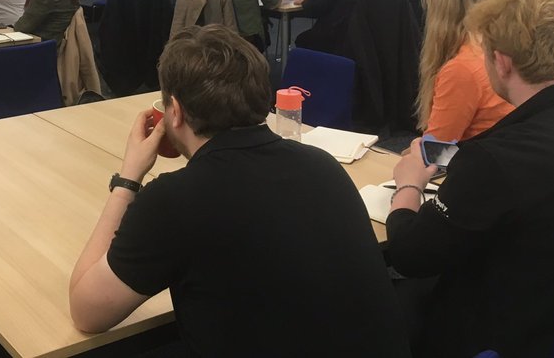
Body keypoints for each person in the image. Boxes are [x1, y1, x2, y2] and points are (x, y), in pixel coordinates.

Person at [69, 25, 410, 356]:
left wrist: (128, 179)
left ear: (176, 112)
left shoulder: (176, 198)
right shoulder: (322, 165)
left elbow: (87, 312)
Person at [387, 0, 554, 358]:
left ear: (501, 62)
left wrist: (409, 186)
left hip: (501, 331)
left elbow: (410, 255)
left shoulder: (494, 160)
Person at [416, 0, 513, 141]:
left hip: (476, 165)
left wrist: (417, 151)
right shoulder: (500, 44)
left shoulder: (462, 68)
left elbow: (436, 153)